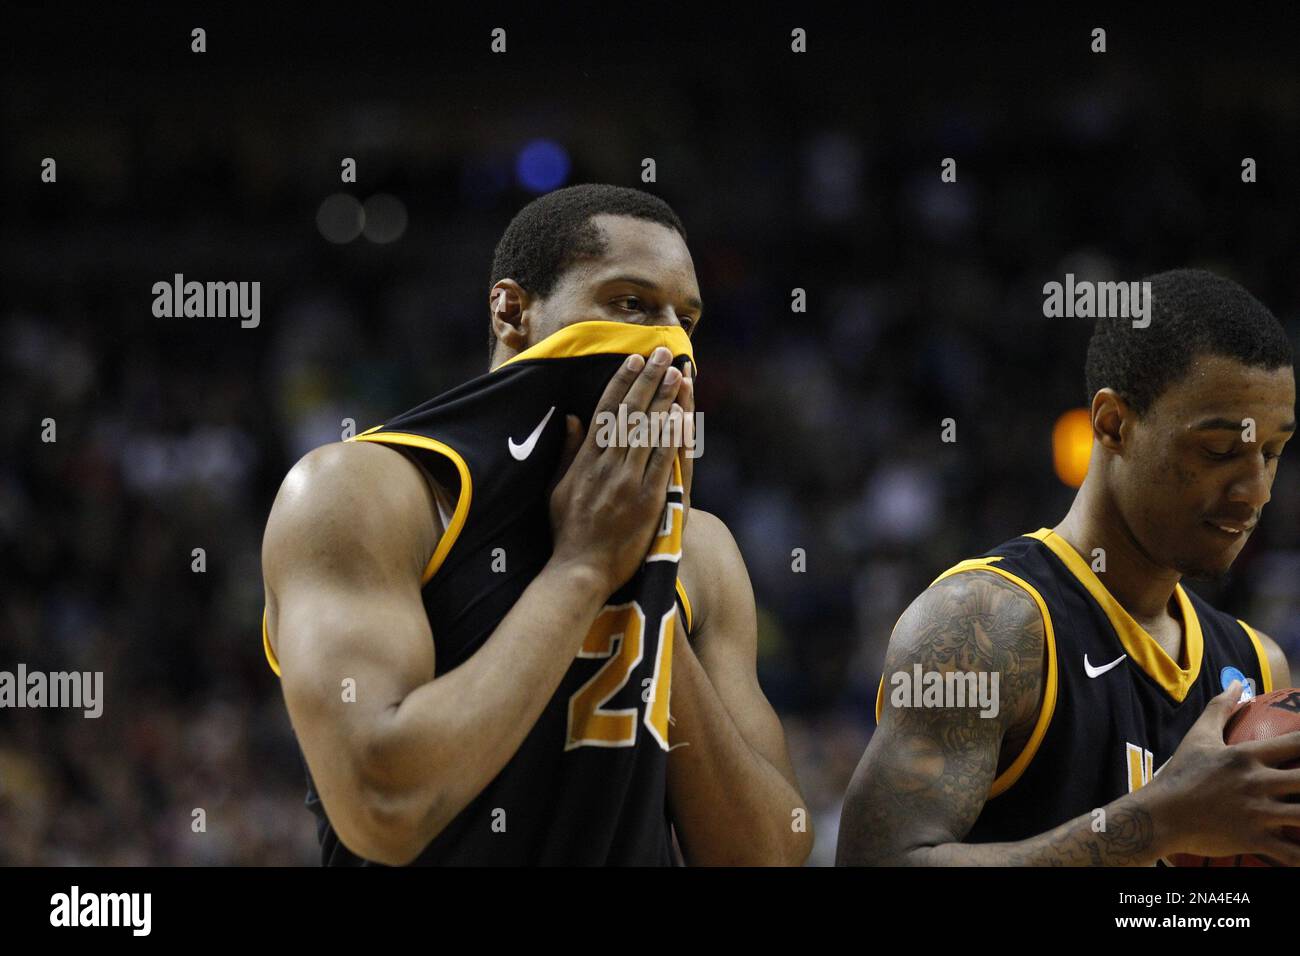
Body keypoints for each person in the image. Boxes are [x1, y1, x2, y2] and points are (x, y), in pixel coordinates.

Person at [261, 183, 810, 865]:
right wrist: (581, 571)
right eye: (631, 304)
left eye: (686, 322)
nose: (668, 343)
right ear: (512, 310)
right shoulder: (365, 492)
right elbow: (384, 805)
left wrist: (647, 584)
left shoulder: (700, 550)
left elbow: (770, 854)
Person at [838, 269, 1300, 866]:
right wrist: (1154, 823)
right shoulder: (988, 625)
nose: (1254, 492)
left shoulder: (1256, 663)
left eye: (1273, 453)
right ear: (1112, 424)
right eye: (1218, 452)